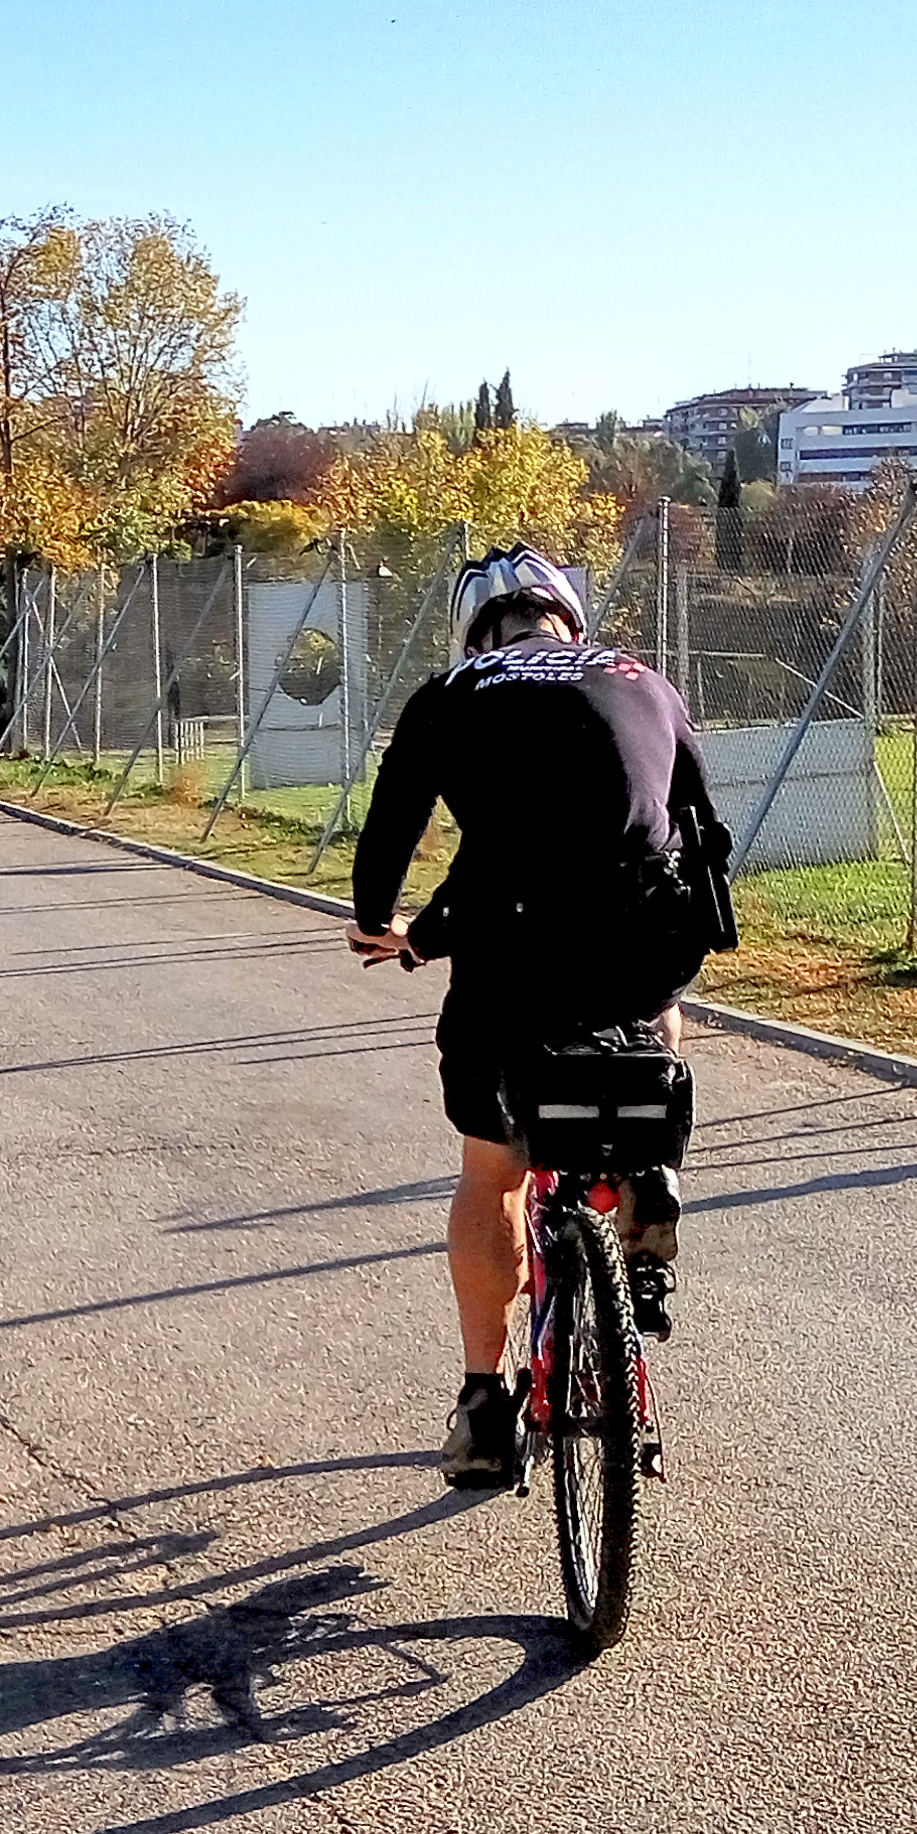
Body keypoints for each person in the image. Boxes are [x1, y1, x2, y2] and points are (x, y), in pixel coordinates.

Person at [345, 546, 730, 1492]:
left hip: (510, 944)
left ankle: (483, 1403)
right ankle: (652, 1167)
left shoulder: (453, 689)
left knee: (495, 1169)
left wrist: (388, 926)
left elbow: (387, 837)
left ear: (478, 632)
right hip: (640, 933)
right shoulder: (644, 678)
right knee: (654, 1006)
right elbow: (698, 818)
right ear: (571, 619)